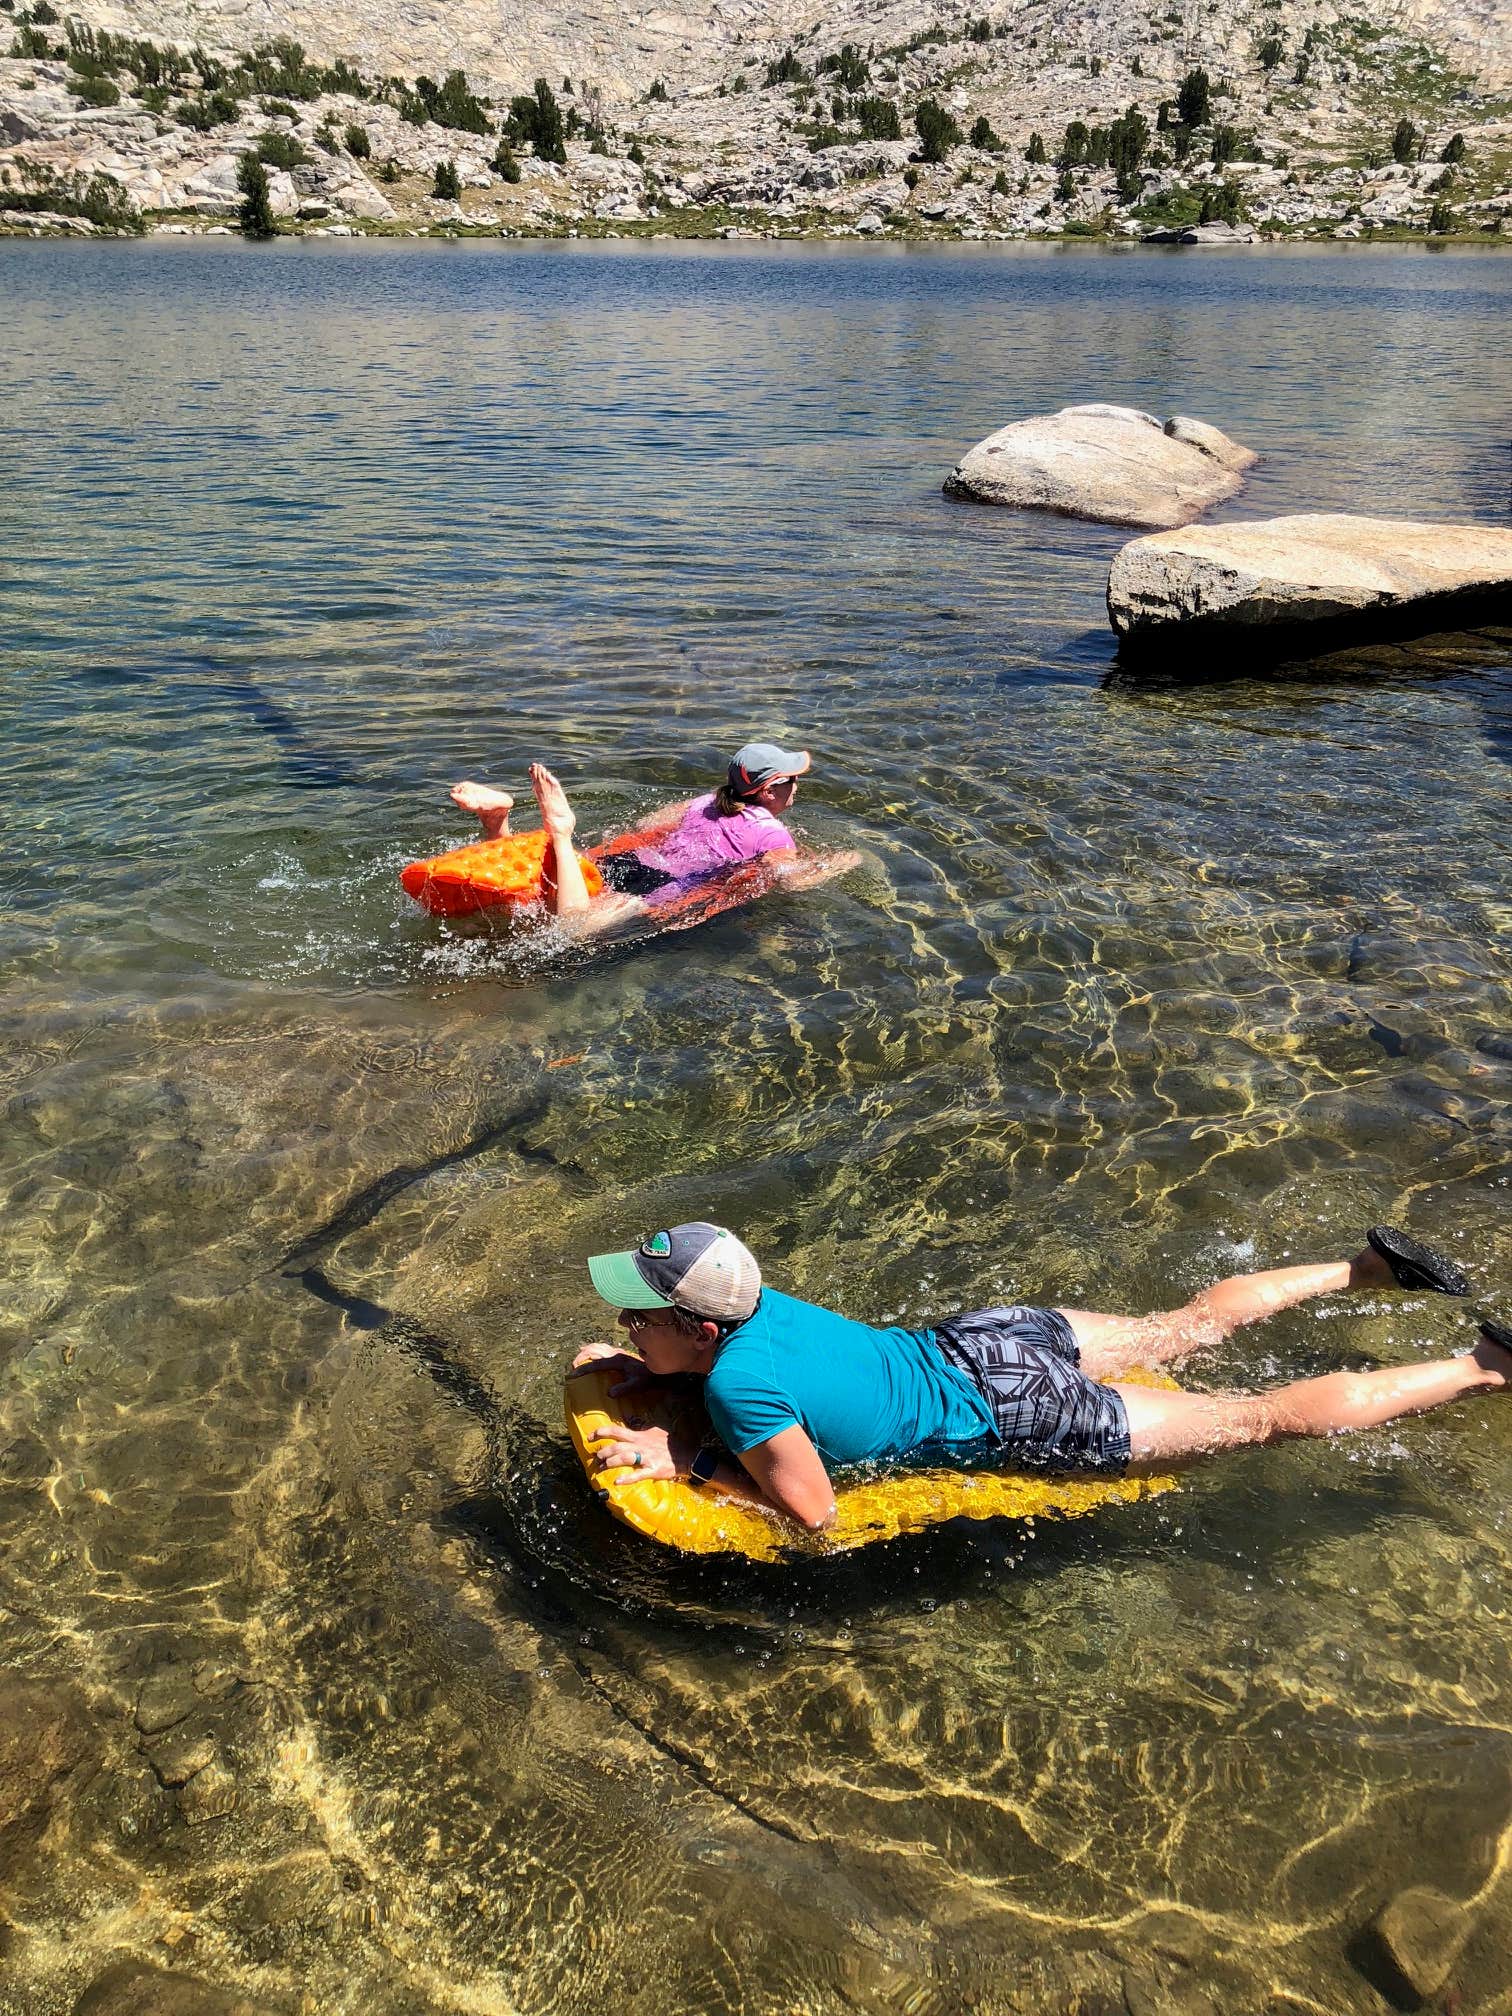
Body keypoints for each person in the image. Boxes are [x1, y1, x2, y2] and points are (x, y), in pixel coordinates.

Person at [571, 1221, 1509, 1534]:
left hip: (1012, 1406)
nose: (624, 1325)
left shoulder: (736, 1388)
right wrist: (660, 1371)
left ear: (699, 1329)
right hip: (992, 1338)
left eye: (639, 1317)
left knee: (1260, 1418)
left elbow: (813, 1512)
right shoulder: (760, 1305)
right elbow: (778, 1376)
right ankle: (1369, 1268)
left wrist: (685, 1456)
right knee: (1179, 1327)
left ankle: (1484, 1367)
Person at [449, 742, 848, 937]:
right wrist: (841, 863)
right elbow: (792, 879)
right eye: (793, 780)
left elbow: (649, 824)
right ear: (770, 789)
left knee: (534, 894)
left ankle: (497, 823)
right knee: (572, 929)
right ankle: (559, 829)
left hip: (634, 860)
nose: (797, 787)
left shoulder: (705, 802)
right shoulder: (773, 833)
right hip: (663, 887)